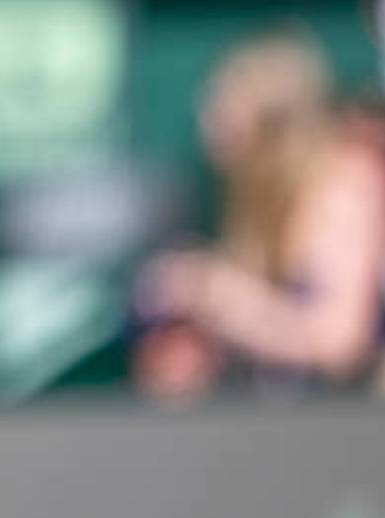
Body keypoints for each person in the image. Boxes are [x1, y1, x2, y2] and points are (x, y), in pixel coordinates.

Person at [133, 26, 385, 405]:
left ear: (270, 114)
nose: (209, 122)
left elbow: (340, 343)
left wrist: (218, 294)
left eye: (223, 103)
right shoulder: (259, 201)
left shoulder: (340, 187)